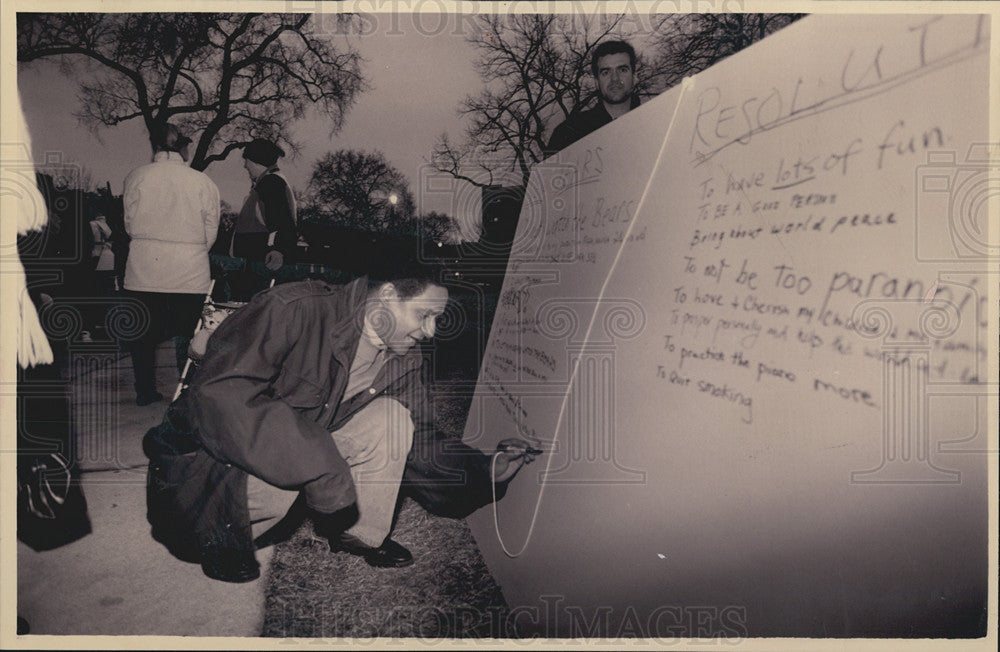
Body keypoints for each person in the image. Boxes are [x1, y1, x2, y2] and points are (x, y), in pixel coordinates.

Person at [144, 260, 537, 582]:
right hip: (206, 458)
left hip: (304, 443)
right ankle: (222, 538)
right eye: (425, 315)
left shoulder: (404, 357)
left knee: (396, 418)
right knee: (287, 471)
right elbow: (221, 396)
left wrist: (484, 469)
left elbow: (422, 436)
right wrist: (320, 463)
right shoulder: (293, 309)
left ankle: (359, 536)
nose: (431, 331)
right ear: (386, 297)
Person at [122, 123, 220, 405]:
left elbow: (129, 223)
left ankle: (144, 390)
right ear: (183, 147)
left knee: (142, 337)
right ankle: (189, 392)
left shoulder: (136, 176)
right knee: (190, 335)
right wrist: (194, 250)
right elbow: (210, 230)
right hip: (189, 271)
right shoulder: (202, 182)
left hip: (143, 269)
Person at [545, 40, 641, 157]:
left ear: (635, 77)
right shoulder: (568, 132)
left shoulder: (654, 125)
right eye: (605, 72)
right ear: (596, 82)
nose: (615, 78)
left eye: (622, 70)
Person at [228, 137, 297, 298]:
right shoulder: (269, 182)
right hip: (261, 259)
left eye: (247, 161)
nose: (245, 166)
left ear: (256, 161)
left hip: (263, 262)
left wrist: (277, 250)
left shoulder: (271, 183)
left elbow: (282, 221)